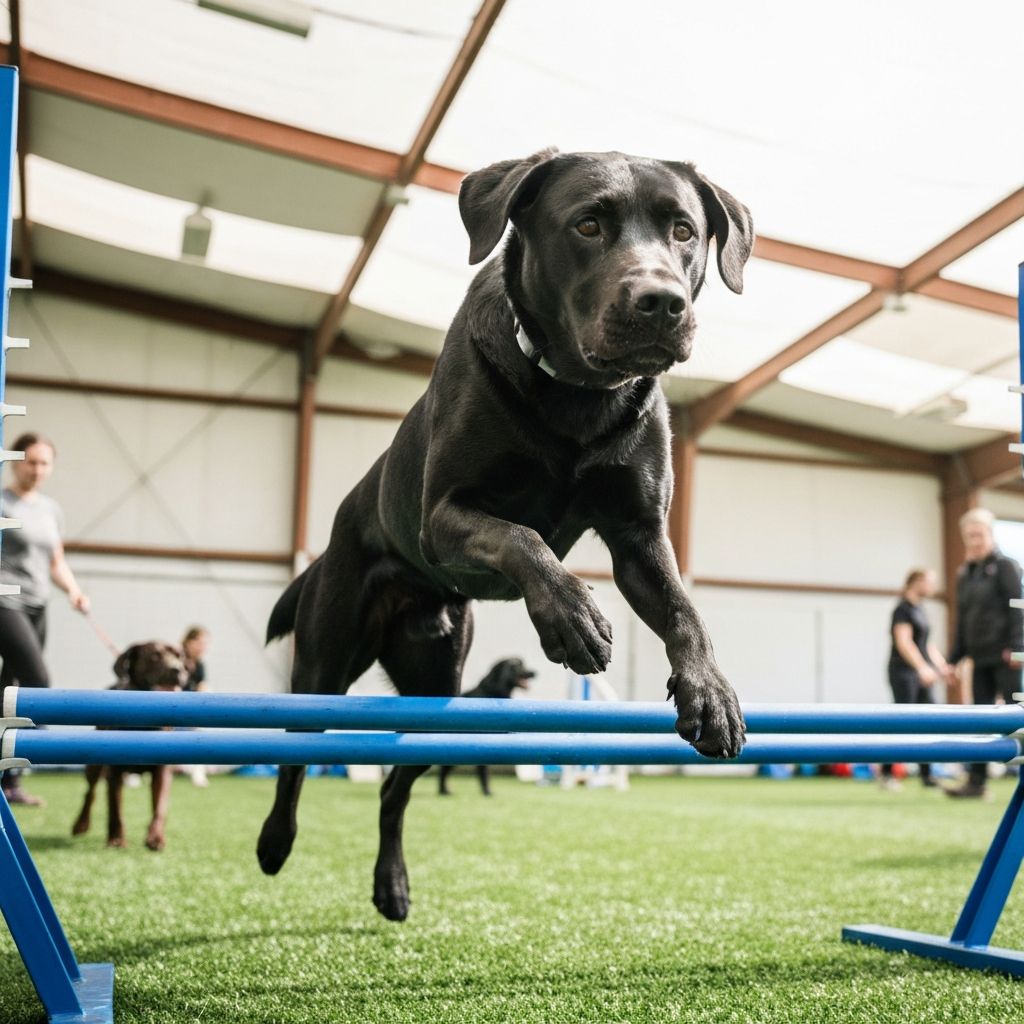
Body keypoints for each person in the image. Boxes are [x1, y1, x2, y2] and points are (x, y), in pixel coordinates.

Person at [0, 433, 89, 805]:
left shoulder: (51, 509)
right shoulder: (2, 501)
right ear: (15, 461)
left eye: (44, 463)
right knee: (38, 680)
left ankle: (9, 781)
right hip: (5, 598)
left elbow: (55, 562)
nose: (37, 469)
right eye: (30, 461)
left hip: (38, 602)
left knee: (11, 689)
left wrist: (74, 590)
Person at [945, 508, 1023, 799]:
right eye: (969, 536)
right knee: (980, 720)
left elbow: (1018, 610)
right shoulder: (965, 574)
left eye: (979, 534)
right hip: (980, 658)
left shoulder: (1007, 566)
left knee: (1018, 718)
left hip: (1007, 656)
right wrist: (953, 659)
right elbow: (962, 620)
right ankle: (976, 782)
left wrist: (1018, 650)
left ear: (990, 534)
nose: (974, 540)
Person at [879, 568, 949, 791]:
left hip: (920, 672)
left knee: (929, 720)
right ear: (916, 582)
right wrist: (922, 668)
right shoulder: (902, 609)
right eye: (930, 582)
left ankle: (927, 775)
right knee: (901, 723)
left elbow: (926, 644)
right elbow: (904, 642)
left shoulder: (921, 610)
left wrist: (941, 666)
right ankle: (887, 774)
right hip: (903, 672)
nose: (933, 587)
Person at [180, 625, 211, 786]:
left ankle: (198, 772)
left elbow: (203, 687)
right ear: (188, 642)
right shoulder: (176, 659)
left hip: (189, 713)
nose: (203, 647)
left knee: (198, 732)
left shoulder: (199, 665)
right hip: (172, 710)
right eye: (200, 642)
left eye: (206, 643)